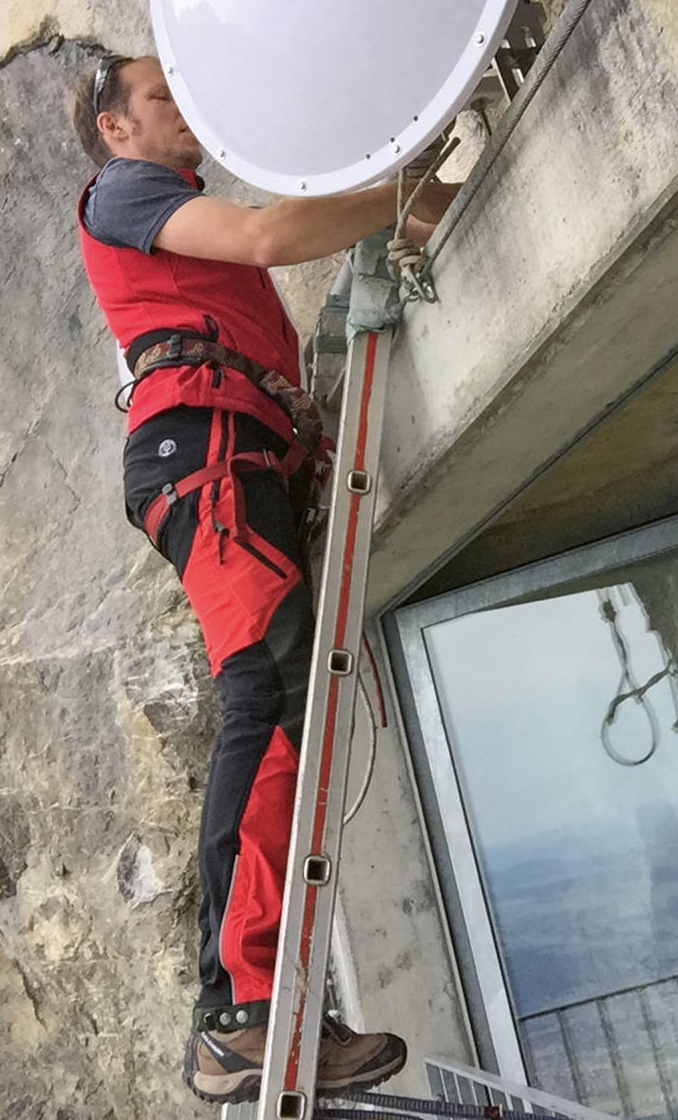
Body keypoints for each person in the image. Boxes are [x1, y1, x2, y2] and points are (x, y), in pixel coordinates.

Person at [67, 54, 457, 1104]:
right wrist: (405, 191)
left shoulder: (178, 233)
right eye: (161, 99)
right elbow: (269, 235)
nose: (183, 111)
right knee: (272, 692)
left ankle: (260, 1008)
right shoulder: (128, 192)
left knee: (280, 691)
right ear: (115, 129)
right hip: (204, 452)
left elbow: (263, 253)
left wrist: (397, 214)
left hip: (231, 451)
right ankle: (240, 1013)